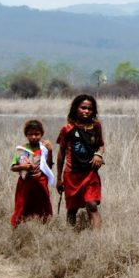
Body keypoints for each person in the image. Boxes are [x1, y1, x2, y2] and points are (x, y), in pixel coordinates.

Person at [56, 94, 105, 230]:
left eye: (89, 109)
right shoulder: (67, 129)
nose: (86, 111)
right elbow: (61, 153)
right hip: (72, 174)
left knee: (92, 204)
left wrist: (98, 154)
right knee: (72, 209)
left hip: (90, 173)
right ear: (75, 109)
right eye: (83, 108)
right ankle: (70, 236)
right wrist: (59, 178)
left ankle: (97, 239)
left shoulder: (96, 126)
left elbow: (100, 144)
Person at [10, 120, 54, 227]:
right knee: (22, 206)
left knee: (43, 207)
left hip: (40, 183)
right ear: (26, 135)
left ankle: (44, 229)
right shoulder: (22, 149)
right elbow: (13, 167)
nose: (34, 137)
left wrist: (50, 151)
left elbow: (49, 166)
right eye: (30, 134)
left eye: (37, 134)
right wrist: (22, 167)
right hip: (25, 184)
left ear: (41, 134)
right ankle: (17, 229)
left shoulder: (44, 149)